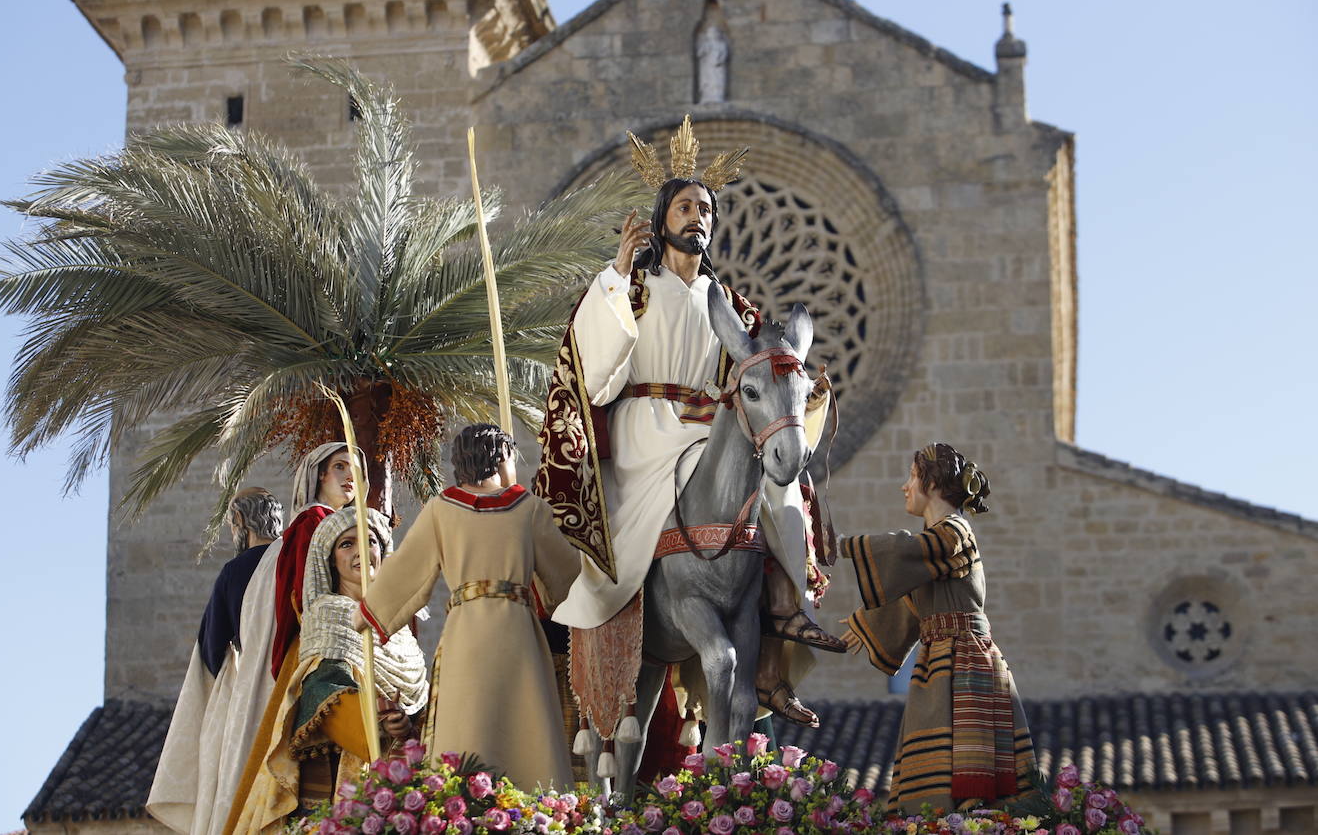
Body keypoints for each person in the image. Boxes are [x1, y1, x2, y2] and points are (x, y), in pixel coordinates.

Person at [537, 116, 842, 735]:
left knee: (772, 472)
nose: (697, 217)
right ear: (661, 218)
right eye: (684, 206)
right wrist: (615, 278)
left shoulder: (727, 303)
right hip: (646, 426)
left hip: (708, 426)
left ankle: (785, 604)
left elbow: (759, 369)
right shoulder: (634, 288)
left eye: (706, 209)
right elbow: (596, 373)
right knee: (702, 458)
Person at [355, 424, 581, 790]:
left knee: (467, 719)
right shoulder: (529, 509)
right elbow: (566, 575)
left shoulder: (442, 509)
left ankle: (463, 807)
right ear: (500, 457)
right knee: (527, 723)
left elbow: (406, 570)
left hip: (466, 630)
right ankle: (536, 807)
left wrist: (369, 611)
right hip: (517, 629)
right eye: (511, 456)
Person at [838, 442, 1036, 813]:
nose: (905, 486)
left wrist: (842, 546)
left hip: (965, 663)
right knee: (940, 766)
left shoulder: (956, 532)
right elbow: (913, 599)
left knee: (968, 768)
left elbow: (912, 549)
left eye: (911, 477)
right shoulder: (935, 550)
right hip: (940, 663)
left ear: (931, 483)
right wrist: (865, 626)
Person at [232, 507, 428, 832]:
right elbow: (323, 689)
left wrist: (406, 725)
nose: (361, 551)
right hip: (342, 771)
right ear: (330, 559)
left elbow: (418, 701)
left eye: (370, 541)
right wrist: (373, 722)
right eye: (346, 544)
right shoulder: (329, 615)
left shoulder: (400, 631)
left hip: (403, 777)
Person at [148, 488, 285, 835]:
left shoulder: (234, 571)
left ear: (240, 521)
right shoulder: (292, 560)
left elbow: (211, 649)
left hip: (253, 694)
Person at [271, 442, 356, 678]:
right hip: (324, 640)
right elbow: (304, 591)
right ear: (320, 474)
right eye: (340, 466)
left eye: (356, 471)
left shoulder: (342, 523)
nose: (350, 476)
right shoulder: (313, 521)